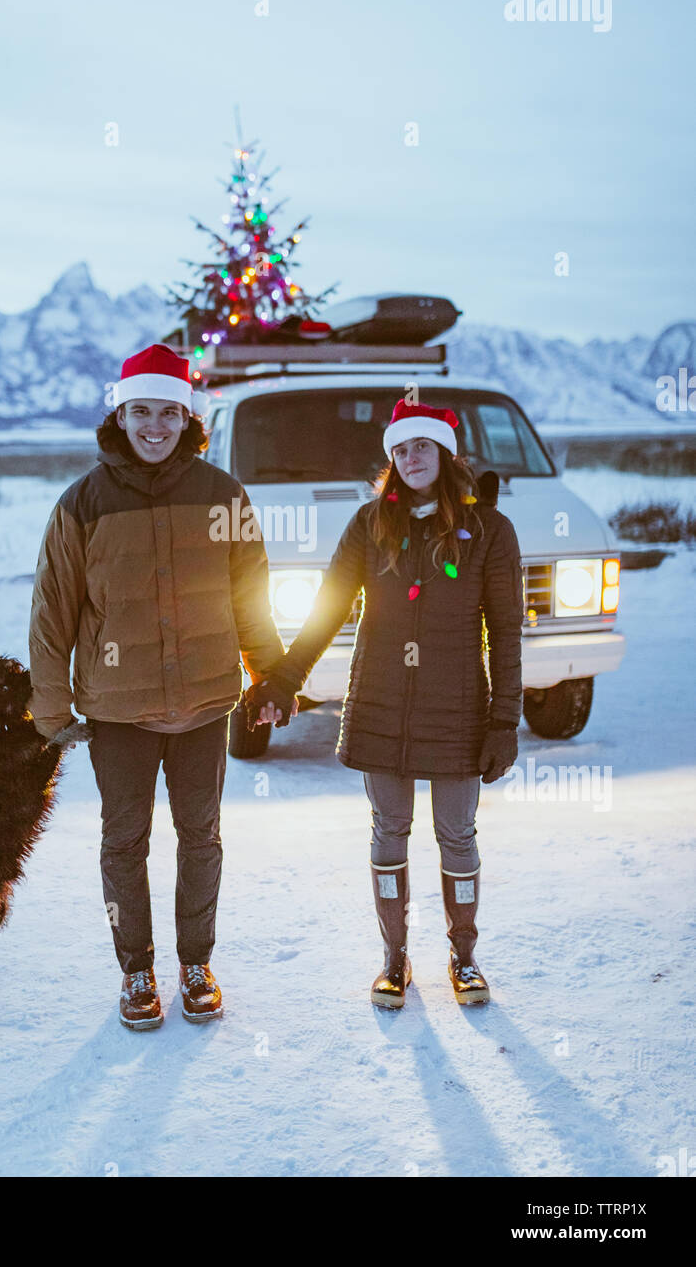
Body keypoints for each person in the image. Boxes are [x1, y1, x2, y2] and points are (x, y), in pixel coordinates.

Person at [27, 343, 286, 1030]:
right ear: (121, 412)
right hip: (118, 712)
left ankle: (195, 962)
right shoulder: (81, 504)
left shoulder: (222, 494)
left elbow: (250, 596)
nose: (154, 426)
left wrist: (272, 674)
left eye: (167, 413)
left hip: (204, 703)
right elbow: (53, 614)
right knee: (125, 841)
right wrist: (50, 709)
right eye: (141, 411)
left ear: (186, 417)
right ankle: (136, 968)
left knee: (201, 836)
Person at [246, 399, 523, 1007]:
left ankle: (464, 957)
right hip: (381, 702)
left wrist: (505, 718)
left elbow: (505, 632)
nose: (411, 458)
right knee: (389, 830)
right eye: (400, 450)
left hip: (458, 709)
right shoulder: (370, 525)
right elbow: (328, 609)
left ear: (446, 452)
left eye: (422, 446)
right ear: (390, 459)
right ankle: (395, 959)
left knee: (458, 834)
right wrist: (284, 679)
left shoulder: (490, 532)